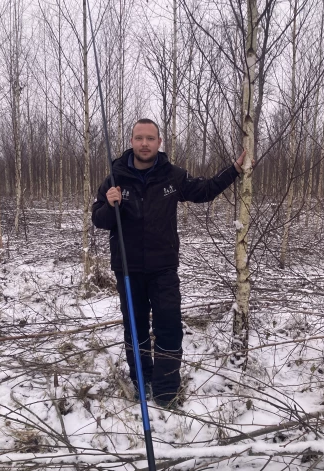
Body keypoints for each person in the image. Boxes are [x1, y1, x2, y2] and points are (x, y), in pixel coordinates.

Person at [92, 118, 246, 409]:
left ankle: (165, 390)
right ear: (132, 141)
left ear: (159, 143)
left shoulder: (172, 176)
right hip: (127, 268)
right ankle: (142, 381)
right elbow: (99, 220)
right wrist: (109, 204)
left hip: (163, 267)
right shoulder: (115, 177)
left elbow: (205, 190)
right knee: (135, 329)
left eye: (150, 138)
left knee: (169, 327)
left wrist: (234, 170)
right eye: (139, 138)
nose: (144, 143)